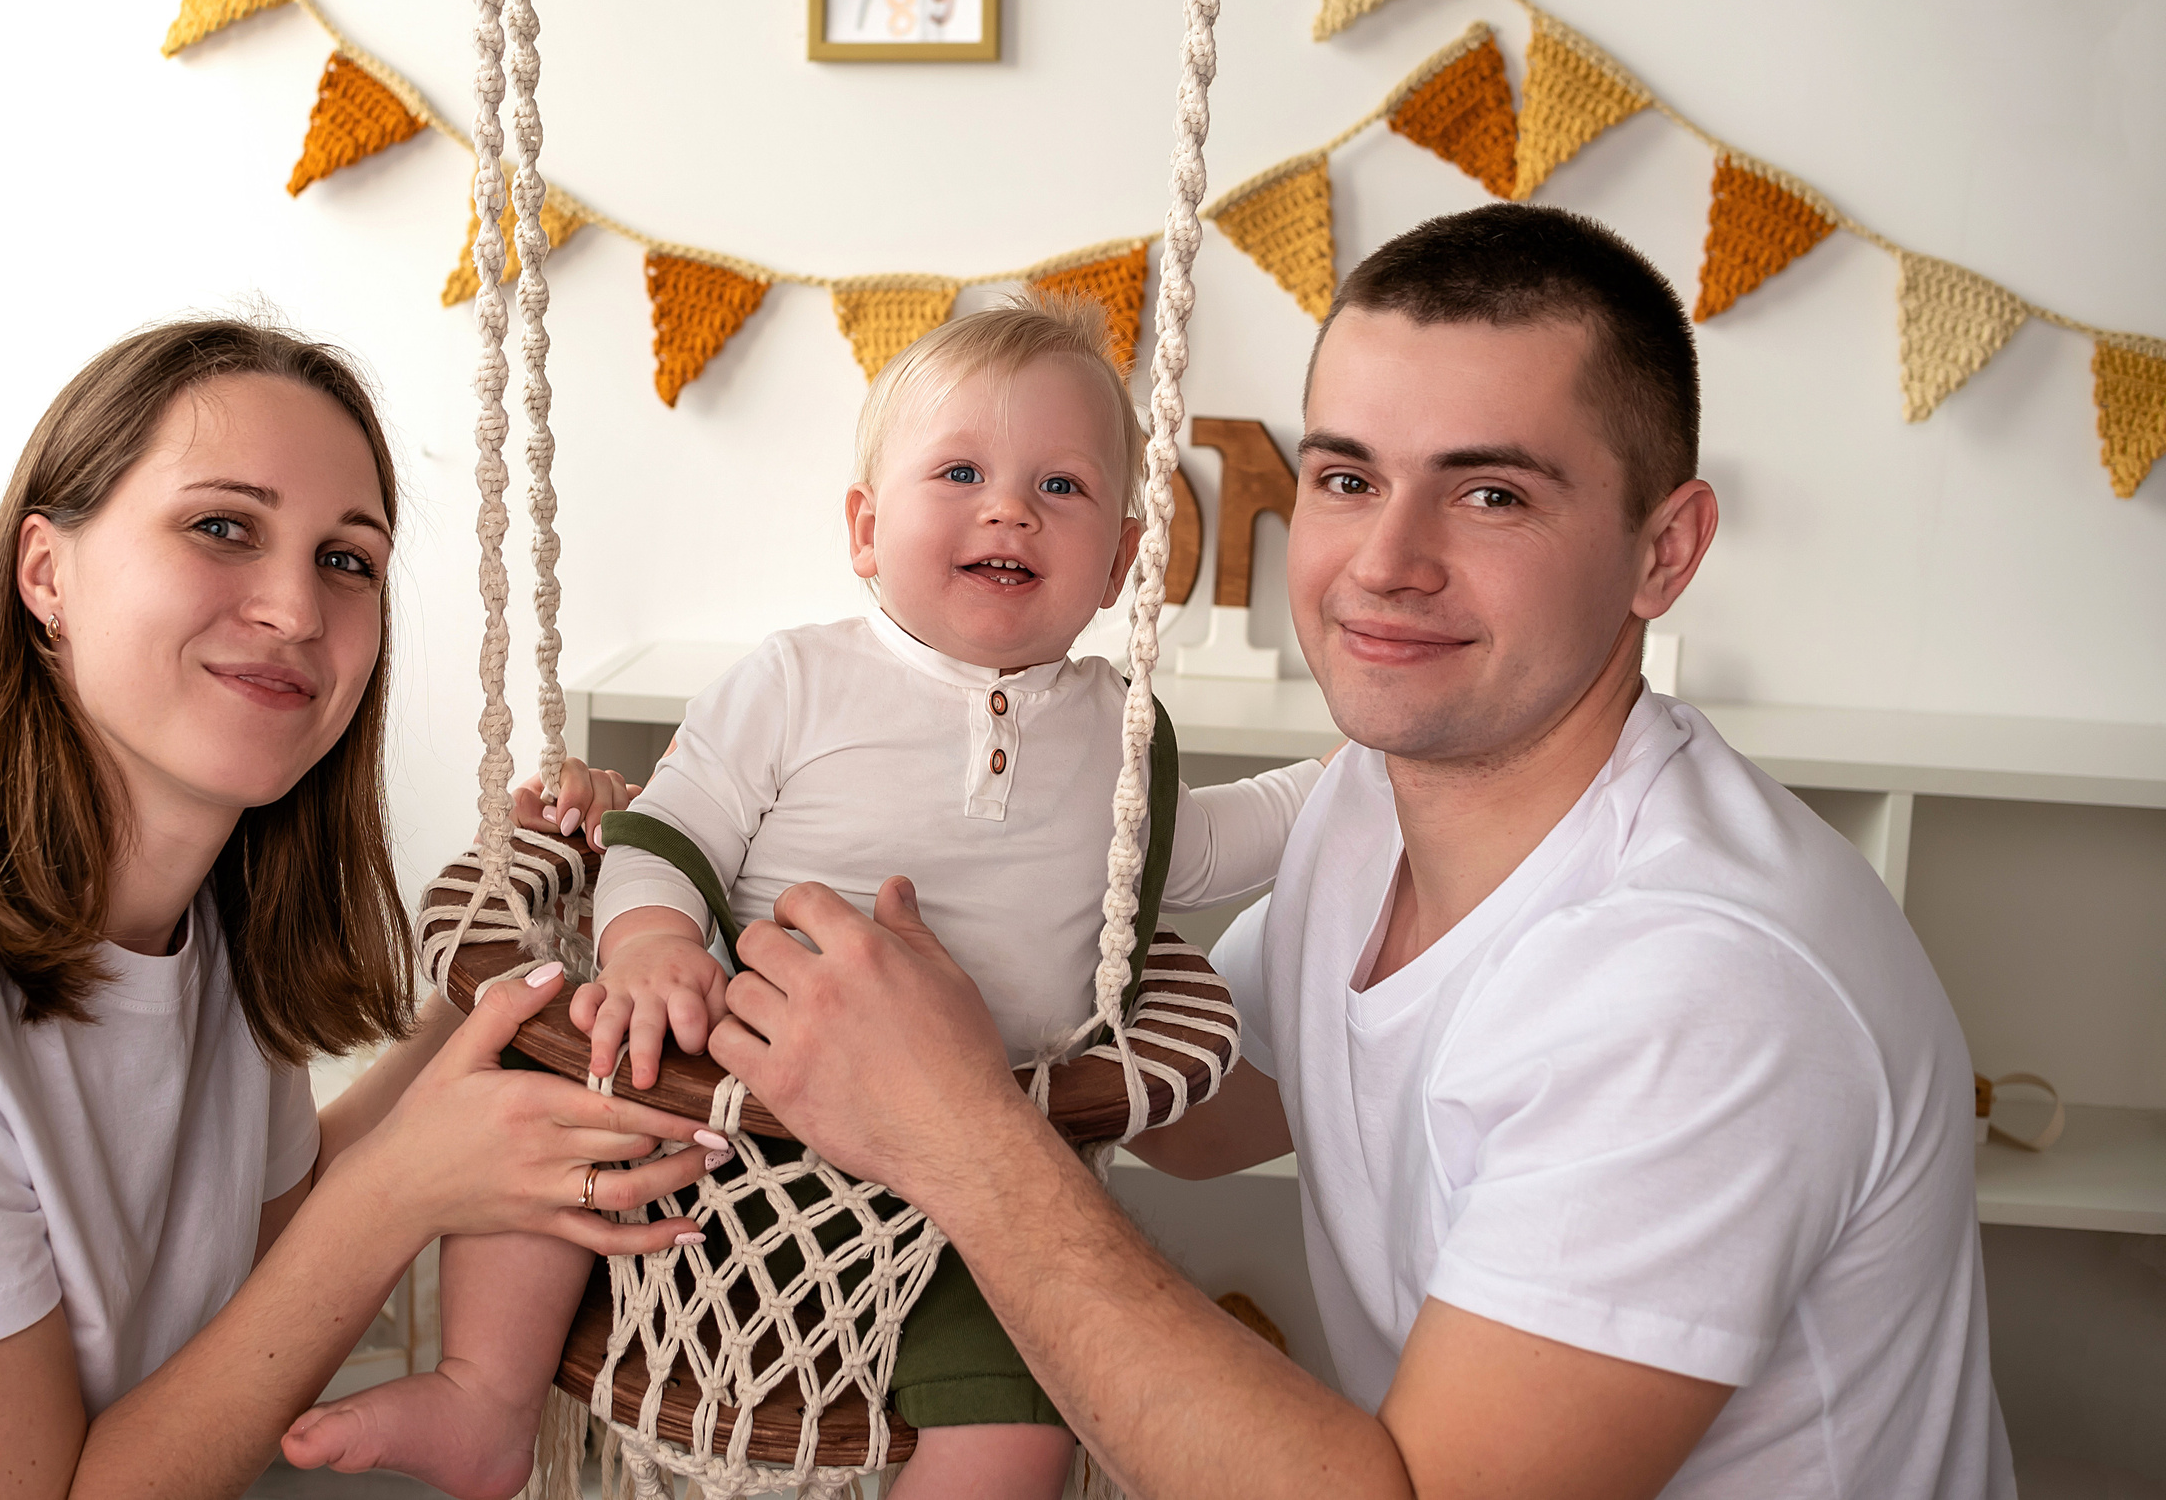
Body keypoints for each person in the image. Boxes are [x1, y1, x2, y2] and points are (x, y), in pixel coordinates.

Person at [706, 207, 2012, 1499]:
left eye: (1490, 493)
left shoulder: (1704, 983)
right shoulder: (1369, 805)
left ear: (1661, 553)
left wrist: (960, 1133)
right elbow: (1205, 1122)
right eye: (1345, 480)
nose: (1386, 564)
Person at [0, 319, 714, 1500]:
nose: (296, 607)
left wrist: (515, 977)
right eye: (221, 526)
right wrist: (409, 1188)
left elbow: (260, 1239)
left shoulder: (220, 918)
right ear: (46, 574)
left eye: (348, 559)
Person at [285, 297, 1325, 1498]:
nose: (1009, 508)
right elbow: (665, 827)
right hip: (717, 1126)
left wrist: (1372, 778)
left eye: (1061, 487)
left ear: (1121, 561)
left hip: (970, 1190)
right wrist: (657, 940)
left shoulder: (1122, 737)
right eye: (963, 471)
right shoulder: (797, 679)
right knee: (545, 1106)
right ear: (867, 529)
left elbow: (1201, 849)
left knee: (1019, 1426)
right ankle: (484, 1392)